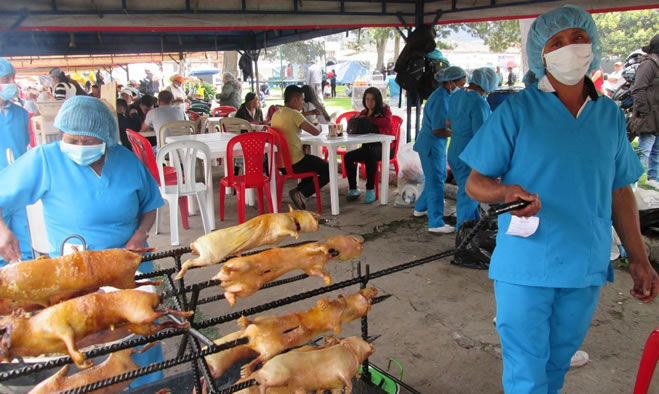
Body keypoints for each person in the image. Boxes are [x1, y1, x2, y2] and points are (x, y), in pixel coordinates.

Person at [459, 6, 659, 393]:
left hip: (584, 263)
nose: (570, 48)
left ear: (593, 46)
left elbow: (620, 190)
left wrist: (639, 258)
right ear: (541, 55)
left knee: (555, 366)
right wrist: (505, 192)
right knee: (526, 373)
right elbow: (475, 182)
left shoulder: (609, 116)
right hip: (526, 263)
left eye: (578, 38)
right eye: (557, 42)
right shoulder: (518, 110)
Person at [0, 96, 166, 388]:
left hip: (128, 267)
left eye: (86, 141)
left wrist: (140, 234)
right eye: (70, 139)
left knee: (140, 333)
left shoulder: (126, 160)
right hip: (72, 273)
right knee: (87, 346)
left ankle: (149, 385)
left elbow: (149, 204)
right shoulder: (46, 159)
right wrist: (3, 231)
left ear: (105, 138)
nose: (76, 146)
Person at [413, 66, 466, 234]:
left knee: (435, 177)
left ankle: (421, 208)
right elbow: (438, 129)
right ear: (450, 82)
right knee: (436, 181)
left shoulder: (445, 95)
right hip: (431, 144)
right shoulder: (440, 99)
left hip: (434, 144)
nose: (462, 88)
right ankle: (435, 222)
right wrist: (460, 132)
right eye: (461, 84)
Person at [446, 67, 498, 230]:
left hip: (454, 149)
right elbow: (481, 134)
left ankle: (474, 228)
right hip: (469, 153)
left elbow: (450, 122)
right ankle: (464, 235)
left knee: (468, 192)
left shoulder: (457, 96)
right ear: (487, 84)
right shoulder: (479, 103)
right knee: (469, 194)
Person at [271, 85, 329, 210]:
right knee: (329, 169)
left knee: (312, 167)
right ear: (295, 100)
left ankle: (298, 191)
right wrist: (318, 124)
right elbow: (315, 132)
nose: (303, 103)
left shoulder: (276, 114)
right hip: (296, 162)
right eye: (302, 100)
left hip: (281, 164)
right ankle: (302, 193)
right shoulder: (294, 114)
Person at [0, 57, 32, 265]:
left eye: (12, 78)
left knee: (25, 251)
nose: (10, 83)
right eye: (5, 79)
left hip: (19, 189)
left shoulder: (20, 114)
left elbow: (24, 146)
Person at [344, 87, 394, 204]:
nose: (369, 102)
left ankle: (370, 188)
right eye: (367, 99)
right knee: (348, 157)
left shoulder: (384, 109)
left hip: (385, 148)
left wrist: (369, 120)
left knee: (369, 155)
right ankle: (353, 189)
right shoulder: (364, 113)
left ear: (378, 100)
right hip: (368, 147)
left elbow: (387, 122)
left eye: (373, 99)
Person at [633, 34, 659, 189]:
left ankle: (653, 180)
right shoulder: (649, 64)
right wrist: (645, 111)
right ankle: (632, 182)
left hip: (657, 117)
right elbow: (638, 89)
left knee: (656, 151)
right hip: (649, 116)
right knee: (644, 150)